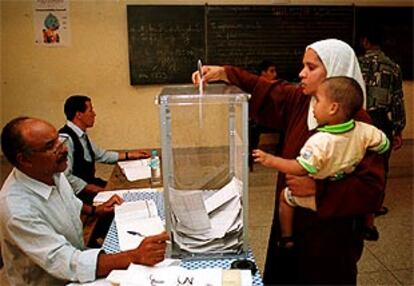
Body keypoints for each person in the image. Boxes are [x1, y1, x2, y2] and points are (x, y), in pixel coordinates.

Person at [192, 39, 386, 285]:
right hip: (290, 228)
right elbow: (266, 90)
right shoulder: (302, 101)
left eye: (311, 67)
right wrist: (224, 73)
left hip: (330, 239)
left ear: (336, 72)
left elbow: (371, 190)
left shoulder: (359, 124)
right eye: (303, 66)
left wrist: (319, 190)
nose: (301, 73)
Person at [0, 117, 169, 285]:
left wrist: (97, 210)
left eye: (59, 141)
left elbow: (72, 203)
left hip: (76, 259)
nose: (64, 149)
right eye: (50, 146)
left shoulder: (51, 172)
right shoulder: (18, 209)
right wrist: (134, 256)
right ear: (24, 160)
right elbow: (66, 262)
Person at [252, 76, 389, 249]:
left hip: (317, 197)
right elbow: (384, 144)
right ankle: (368, 225)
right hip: (342, 198)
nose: (314, 105)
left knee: (285, 198)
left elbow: (300, 168)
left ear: (333, 108)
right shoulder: (364, 130)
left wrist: (271, 160)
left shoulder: (320, 141)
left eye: (317, 101)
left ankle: (286, 237)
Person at [359, 27, 406, 238]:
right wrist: (398, 128)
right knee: (380, 167)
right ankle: (375, 206)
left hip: (358, 119)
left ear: (365, 41)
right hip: (381, 121)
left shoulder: (357, 64)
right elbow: (397, 99)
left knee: (356, 162)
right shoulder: (393, 66)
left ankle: (356, 205)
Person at [59, 95, 150, 204]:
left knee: (126, 192)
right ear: (79, 115)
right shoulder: (66, 139)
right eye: (90, 110)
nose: (94, 114)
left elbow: (101, 155)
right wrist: (95, 189)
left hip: (90, 184)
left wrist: (130, 155)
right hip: (79, 194)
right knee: (121, 200)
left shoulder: (81, 135)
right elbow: (64, 176)